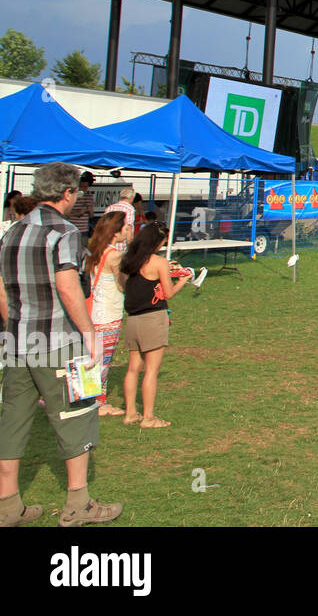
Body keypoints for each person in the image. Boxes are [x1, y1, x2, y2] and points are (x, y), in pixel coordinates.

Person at [0, 161, 122, 527]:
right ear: (68, 193)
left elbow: (2, 292)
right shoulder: (64, 232)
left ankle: (7, 506)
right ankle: (78, 505)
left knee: (12, 424)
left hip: (16, 343)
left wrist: (12, 326)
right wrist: (90, 336)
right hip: (60, 343)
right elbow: (69, 288)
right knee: (78, 415)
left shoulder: (11, 232)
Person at [120, 222, 193, 429]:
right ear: (158, 242)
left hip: (133, 319)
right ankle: (149, 417)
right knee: (151, 370)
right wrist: (183, 280)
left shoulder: (131, 260)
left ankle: (130, 413)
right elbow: (168, 293)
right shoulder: (158, 262)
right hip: (153, 319)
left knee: (133, 368)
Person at [85, 212, 128, 417]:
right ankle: (99, 402)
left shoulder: (93, 250)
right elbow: (122, 285)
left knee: (92, 358)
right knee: (103, 360)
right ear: (116, 231)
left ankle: (90, 398)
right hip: (109, 314)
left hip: (92, 313)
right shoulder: (114, 255)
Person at [69, 171, 95, 235]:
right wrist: (77, 212)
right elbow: (64, 214)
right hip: (71, 228)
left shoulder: (89, 196)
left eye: (86, 187)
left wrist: (89, 210)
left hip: (83, 229)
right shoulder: (71, 197)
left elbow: (91, 215)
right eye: (82, 187)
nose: (84, 189)